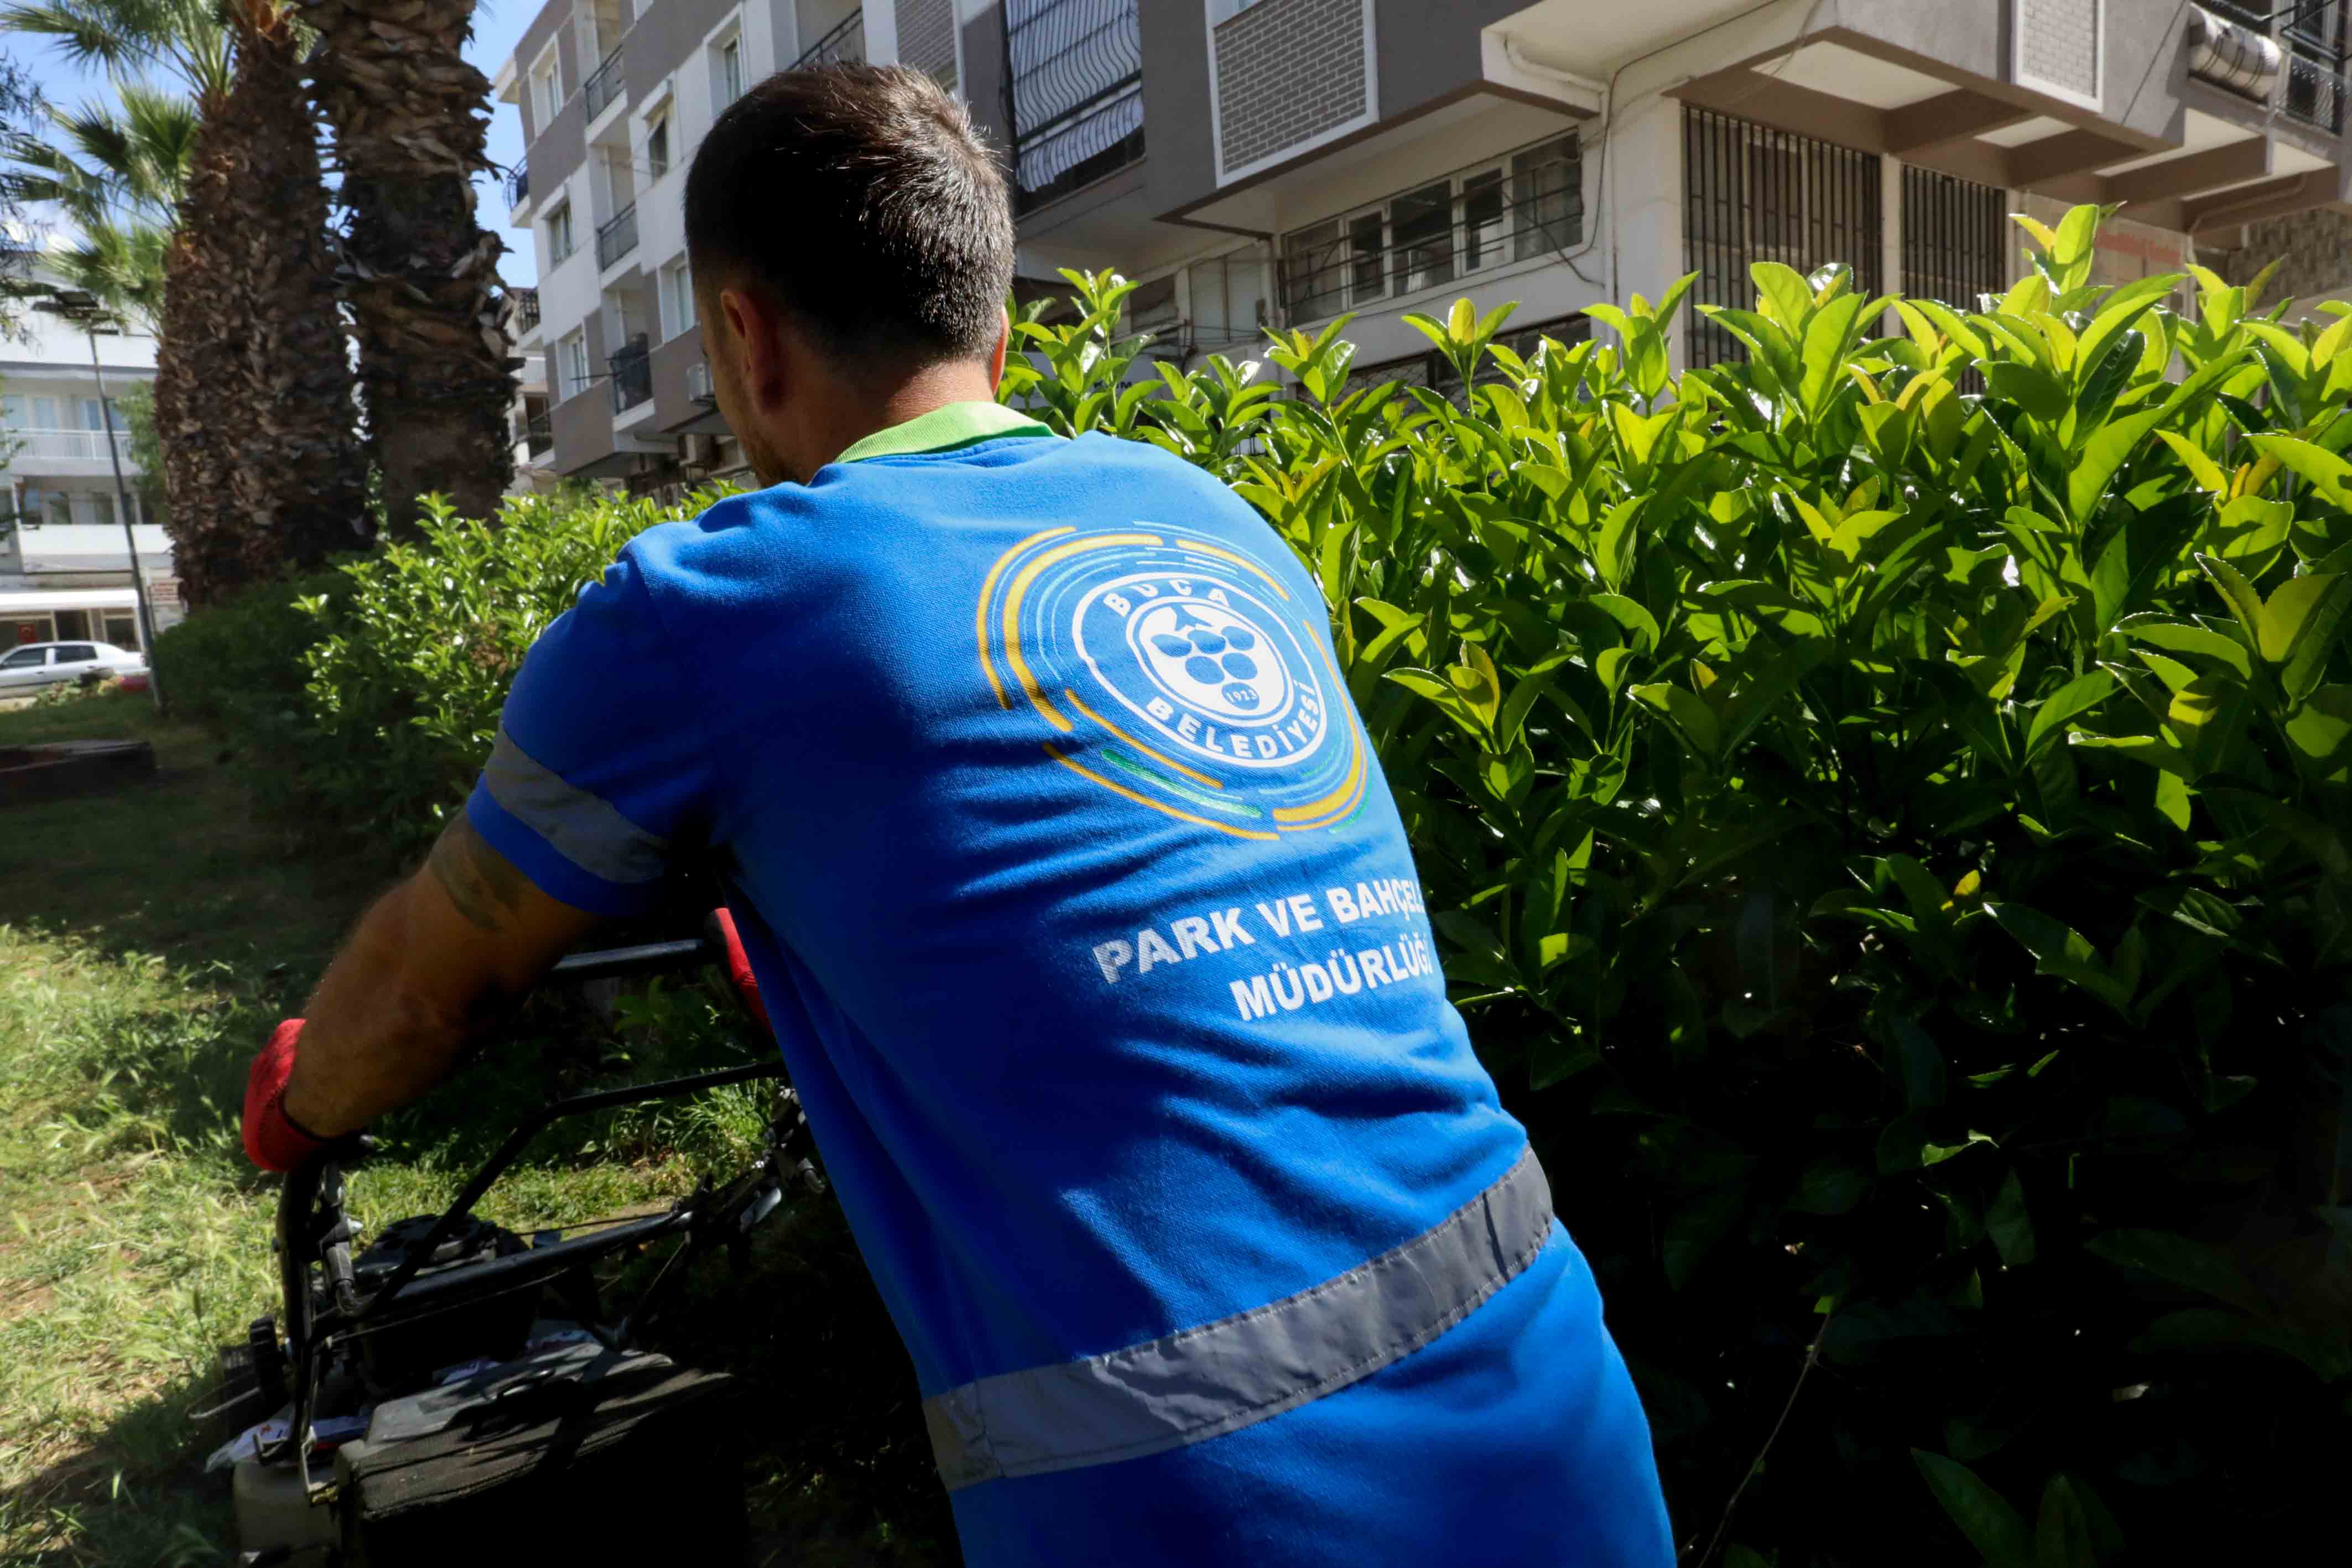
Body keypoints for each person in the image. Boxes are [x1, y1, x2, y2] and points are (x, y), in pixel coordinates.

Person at [240, 63, 1673, 1567]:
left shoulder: (706, 608)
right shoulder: (1210, 518)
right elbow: (1139, 872)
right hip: (1544, 1387)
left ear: (744, 335)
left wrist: (304, 1098)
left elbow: (428, 987)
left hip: (1194, 1493)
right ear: (996, 328)